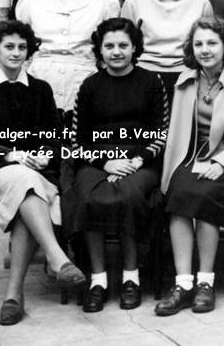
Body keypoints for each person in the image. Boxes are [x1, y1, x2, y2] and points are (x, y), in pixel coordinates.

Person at [0, 21, 87, 325]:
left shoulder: (41, 90)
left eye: (22, 47)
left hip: (36, 175)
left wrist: (45, 155)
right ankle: (57, 257)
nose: (16, 53)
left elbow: (56, 139)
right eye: (9, 46)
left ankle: (13, 297)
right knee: (27, 183)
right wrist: (9, 153)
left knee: (29, 191)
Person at [156, 17, 224, 316]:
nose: (205, 50)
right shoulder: (186, 79)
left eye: (212, 43)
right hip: (191, 160)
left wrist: (222, 163)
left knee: (203, 196)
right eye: (199, 43)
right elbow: (177, 131)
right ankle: (183, 283)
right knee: (178, 193)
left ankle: (205, 282)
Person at [66, 18, 167, 313]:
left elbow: (161, 132)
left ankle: (130, 278)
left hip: (140, 161)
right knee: (88, 197)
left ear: (135, 47)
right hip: (98, 162)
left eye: (123, 45)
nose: (116, 51)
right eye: (109, 46)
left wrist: (136, 161)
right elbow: (77, 139)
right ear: (100, 50)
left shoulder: (151, 82)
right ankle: (98, 280)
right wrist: (105, 162)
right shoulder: (89, 86)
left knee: (127, 196)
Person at [15, 0, 120, 115]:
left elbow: (107, 55)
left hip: (87, 86)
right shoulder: (30, 3)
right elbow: (22, 52)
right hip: (38, 85)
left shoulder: (104, 4)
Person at [121, 0, 213, 104]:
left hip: (187, 76)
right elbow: (124, 43)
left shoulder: (200, 2)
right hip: (143, 76)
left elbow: (206, 46)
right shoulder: (134, 1)